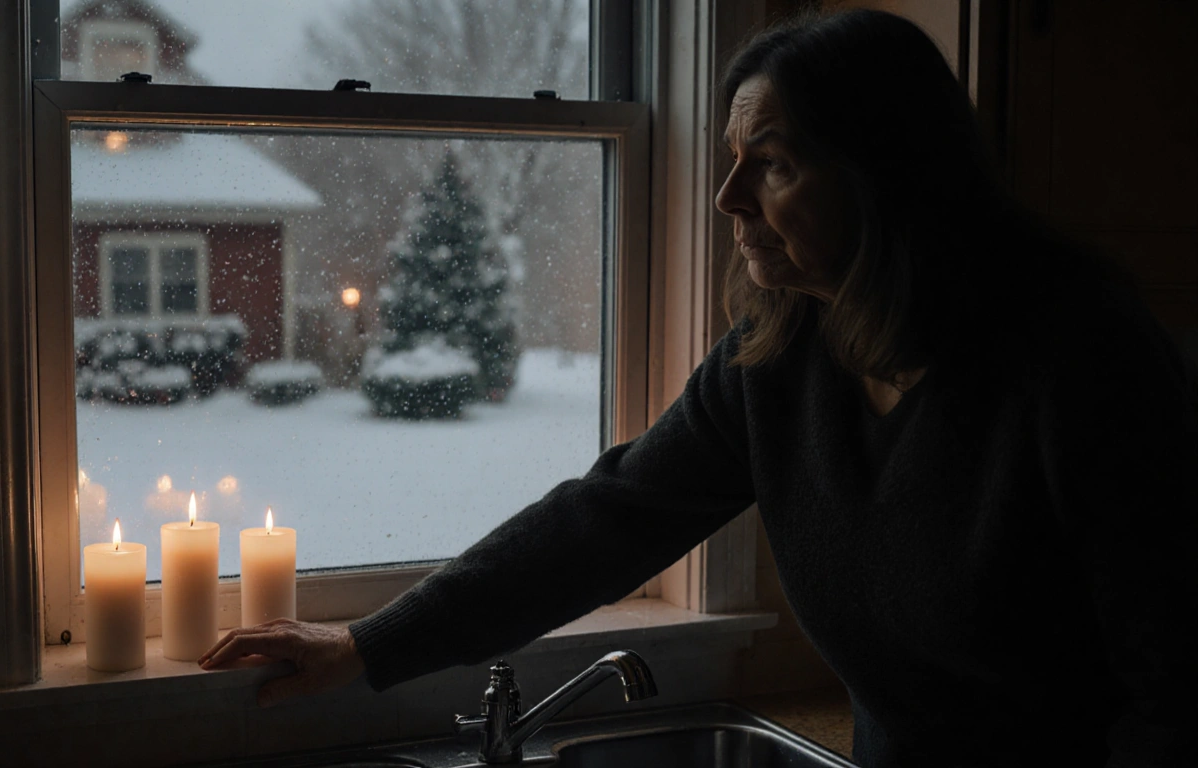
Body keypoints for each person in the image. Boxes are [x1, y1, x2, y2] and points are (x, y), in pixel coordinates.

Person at [200, 10, 1197, 766]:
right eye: (730, 162)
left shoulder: (1079, 366)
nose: (727, 201)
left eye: (770, 165)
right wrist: (370, 644)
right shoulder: (782, 359)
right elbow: (610, 518)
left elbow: (1180, 687)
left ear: (886, 176)